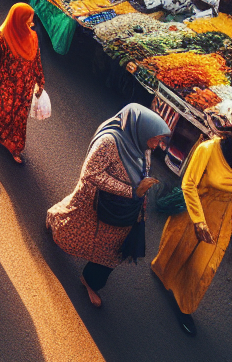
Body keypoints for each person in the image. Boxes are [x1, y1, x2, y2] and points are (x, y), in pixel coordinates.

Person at [47, 104, 170, 308]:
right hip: (97, 203)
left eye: (159, 140)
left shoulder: (143, 146)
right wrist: (131, 191)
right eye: (156, 138)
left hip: (124, 211)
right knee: (72, 224)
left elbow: (142, 171)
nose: (157, 145)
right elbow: (91, 173)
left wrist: (141, 192)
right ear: (142, 129)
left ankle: (90, 281)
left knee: (112, 252)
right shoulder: (110, 142)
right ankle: (54, 218)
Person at [151, 122, 232, 335]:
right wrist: (199, 221)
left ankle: (184, 307)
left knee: (203, 268)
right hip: (195, 210)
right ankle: (162, 273)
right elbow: (188, 184)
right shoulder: (208, 149)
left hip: (222, 222)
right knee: (177, 249)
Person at [0, 3, 44, 163]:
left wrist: (40, 81)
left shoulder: (33, 36)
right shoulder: (0, 36)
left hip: (24, 90)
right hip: (2, 87)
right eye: (29, 19)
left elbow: (36, 60)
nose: (32, 23)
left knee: (17, 120)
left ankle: (14, 147)